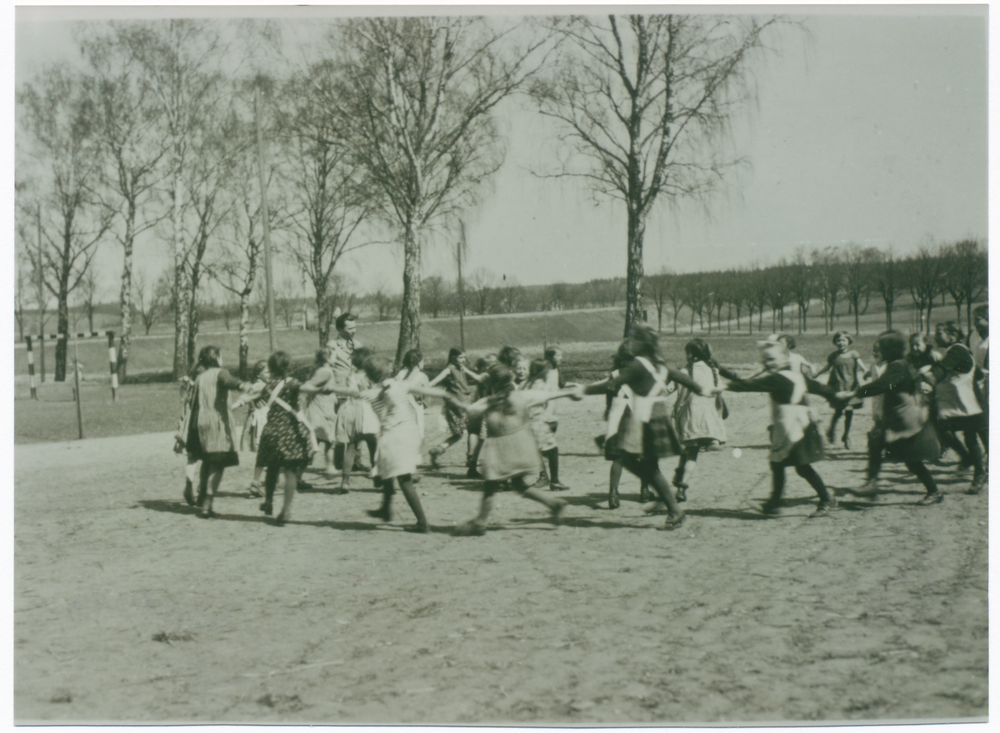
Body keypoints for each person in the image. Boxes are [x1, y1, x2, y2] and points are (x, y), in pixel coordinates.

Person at [576, 323, 707, 530]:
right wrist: (701, 388)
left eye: (635, 339)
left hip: (646, 421)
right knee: (649, 467)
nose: (631, 343)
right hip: (658, 420)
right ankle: (668, 503)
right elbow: (680, 376)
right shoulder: (658, 364)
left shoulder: (638, 364)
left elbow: (611, 384)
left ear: (642, 343)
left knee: (641, 466)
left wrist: (582, 389)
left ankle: (674, 510)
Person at [330, 355, 459, 533]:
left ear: (370, 376)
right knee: (387, 470)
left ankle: (422, 523)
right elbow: (432, 391)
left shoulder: (370, 393)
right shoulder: (399, 384)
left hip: (394, 438)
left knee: (403, 479)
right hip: (409, 433)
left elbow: (349, 392)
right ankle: (385, 508)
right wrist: (448, 395)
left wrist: (323, 387)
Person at [718, 341, 839, 518]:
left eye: (772, 359)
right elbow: (819, 388)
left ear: (784, 358)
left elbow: (751, 385)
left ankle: (825, 499)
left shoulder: (777, 378)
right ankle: (775, 504)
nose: (768, 363)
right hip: (794, 426)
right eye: (765, 359)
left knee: (796, 466)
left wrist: (725, 386)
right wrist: (835, 394)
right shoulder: (796, 375)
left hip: (796, 428)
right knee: (781, 464)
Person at [453, 364, 579, 536]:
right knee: (519, 485)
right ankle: (554, 503)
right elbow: (547, 394)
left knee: (490, 485)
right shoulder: (522, 395)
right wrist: (569, 392)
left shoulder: (488, 402)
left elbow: (471, 410)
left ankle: (480, 522)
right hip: (522, 445)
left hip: (500, 449)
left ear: (491, 384)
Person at [842, 331, 943, 505]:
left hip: (906, 420)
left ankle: (933, 491)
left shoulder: (898, 366)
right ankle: (872, 485)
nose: (877, 352)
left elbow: (881, 385)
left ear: (891, 350)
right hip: (901, 418)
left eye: (880, 348)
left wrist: (855, 392)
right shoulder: (898, 364)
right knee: (880, 445)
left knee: (908, 459)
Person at [178, 346, 252, 518]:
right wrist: (243, 385)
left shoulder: (199, 377)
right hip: (216, 424)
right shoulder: (220, 372)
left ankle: (202, 494)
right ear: (216, 358)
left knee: (207, 461)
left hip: (198, 424)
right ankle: (208, 502)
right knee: (219, 463)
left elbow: (193, 403)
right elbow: (229, 381)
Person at [255, 351, 328, 525]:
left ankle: (269, 501)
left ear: (271, 367)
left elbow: (255, 397)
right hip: (291, 432)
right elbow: (306, 389)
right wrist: (321, 389)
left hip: (272, 431)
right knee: (290, 472)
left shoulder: (268, 385)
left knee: (272, 468)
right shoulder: (293, 383)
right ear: (288, 366)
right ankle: (286, 508)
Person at [933, 322, 987, 494]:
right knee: (947, 430)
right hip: (961, 403)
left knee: (971, 438)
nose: (935, 336)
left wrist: (930, 378)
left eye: (939, 333)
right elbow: (976, 373)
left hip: (972, 404)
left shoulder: (956, 350)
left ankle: (979, 473)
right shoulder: (958, 351)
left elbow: (942, 368)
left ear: (952, 335)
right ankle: (971, 462)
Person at [671, 339, 727, 503]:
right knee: (692, 454)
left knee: (689, 450)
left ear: (691, 354)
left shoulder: (684, 371)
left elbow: (668, 388)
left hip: (689, 418)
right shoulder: (714, 371)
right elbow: (719, 391)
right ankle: (681, 486)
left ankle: (680, 483)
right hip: (708, 419)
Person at [598, 341, 650, 509]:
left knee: (619, 457)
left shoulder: (615, 374)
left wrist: (609, 412)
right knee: (644, 454)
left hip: (619, 413)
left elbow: (609, 397)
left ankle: (613, 493)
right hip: (638, 412)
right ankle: (644, 490)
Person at [427, 348, 485, 472]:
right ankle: (471, 458)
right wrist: (421, 387)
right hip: (458, 406)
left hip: (464, 403)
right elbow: (433, 382)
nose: (463, 360)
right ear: (452, 357)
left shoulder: (461, 369)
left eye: (464, 357)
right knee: (473, 430)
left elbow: (478, 378)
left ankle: (439, 449)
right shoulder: (449, 369)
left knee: (459, 434)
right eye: (460, 358)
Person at [333, 347, 380, 492]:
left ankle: (345, 481)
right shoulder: (369, 376)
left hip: (352, 410)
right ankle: (377, 474)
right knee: (374, 446)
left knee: (352, 447)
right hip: (367, 412)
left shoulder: (351, 374)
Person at [814, 331, 866, 450]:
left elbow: (861, 366)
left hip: (850, 387)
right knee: (838, 412)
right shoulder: (833, 356)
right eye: (838, 340)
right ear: (835, 342)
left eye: (843, 340)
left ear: (848, 341)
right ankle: (831, 431)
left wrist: (866, 372)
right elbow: (827, 367)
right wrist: (817, 373)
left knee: (849, 412)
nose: (841, 343)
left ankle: (846, 435)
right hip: (837, 387)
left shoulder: (854, 354)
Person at [525, 359, 570, 491]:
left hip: (529, 420)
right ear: (543, 371)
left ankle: (544, 477)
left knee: (538, 449)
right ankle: (552, 480)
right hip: (537, 419)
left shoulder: (529, 382)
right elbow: (546, 399)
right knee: (551, 449)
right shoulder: (539, 384)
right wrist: (547, 417)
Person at [326, 312, 361, 470]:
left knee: (358, 425)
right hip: (340, 390)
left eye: (355, 327)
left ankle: (356, 461)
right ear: (340, 328)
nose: (353, 330)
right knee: (341, 426)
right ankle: (339, 461)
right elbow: (328, 369)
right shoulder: (332, 345)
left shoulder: (358, 344)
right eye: (350, 328)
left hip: (357, 391)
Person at [301, 348, 340, 483]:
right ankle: (296, 475)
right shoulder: (324, 372)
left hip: (325, 411)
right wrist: (320, 390)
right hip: (319, 412)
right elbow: (308, 386)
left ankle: (329, 467)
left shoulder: (327, 371)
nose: (337, 359)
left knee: (329, 441)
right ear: (327, 359)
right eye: (335, 356)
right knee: (314, 445)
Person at [232, 360, 271, 497]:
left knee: (265, 453)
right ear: (258, 375)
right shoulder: (260, 385)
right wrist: (232, 407)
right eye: (267, 372)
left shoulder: (265, 384)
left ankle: (257, 483)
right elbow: (245, 398)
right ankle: (258, 484)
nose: (270, 374)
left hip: (264, 420)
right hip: (263, 421)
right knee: (269, 453)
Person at [396, 348, 430, 442]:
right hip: (416, 410)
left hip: (400, 411)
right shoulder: (423, 377)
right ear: (419, 362)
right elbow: (427, 398)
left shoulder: (399, 375)